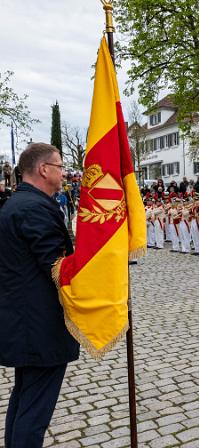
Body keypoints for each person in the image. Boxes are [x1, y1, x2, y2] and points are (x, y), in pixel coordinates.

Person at [0, 143, 80, 448]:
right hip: (38, 327)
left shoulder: (19, 202)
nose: (63, 173)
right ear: (44, 169)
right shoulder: (34, 208)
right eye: (59, 167)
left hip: (25, 323)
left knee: (24, 400)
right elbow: (57, 268)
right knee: (33, 414)